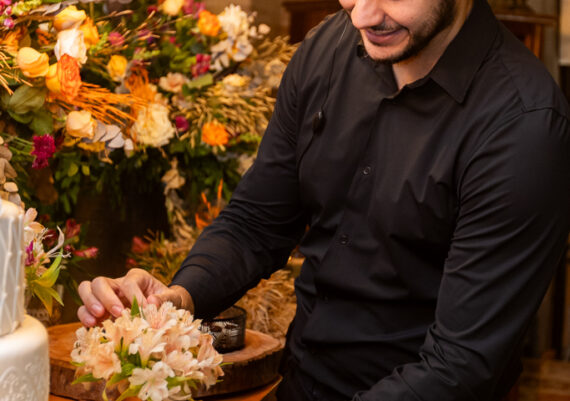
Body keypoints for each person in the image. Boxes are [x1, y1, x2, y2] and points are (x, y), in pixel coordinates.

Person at [78, 0, 570, 399]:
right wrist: (176, 300)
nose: (362, 15)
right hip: (297, 381)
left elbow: (459, 366)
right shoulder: (330, 47)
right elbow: (256, 222)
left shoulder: (524, 127)